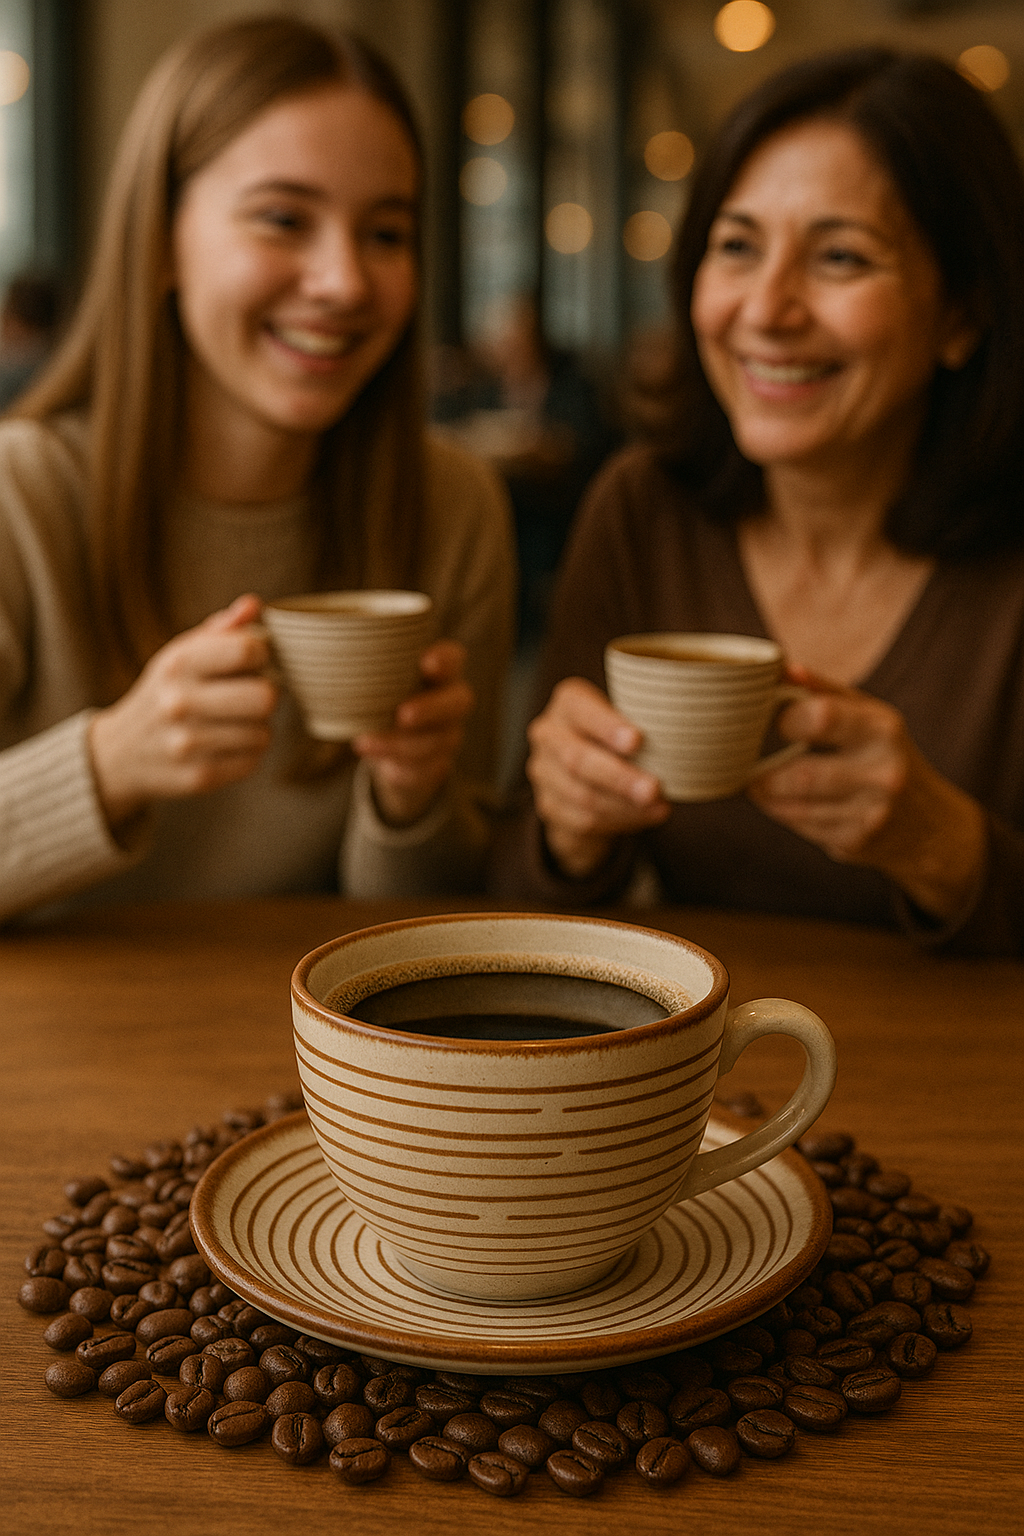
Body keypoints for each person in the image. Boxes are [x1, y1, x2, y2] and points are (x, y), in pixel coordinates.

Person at [494, 47, 1024, 956]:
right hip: (714, 1081)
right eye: (736, 247)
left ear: (962, 316)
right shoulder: (645, 512)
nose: (767, 309)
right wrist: (568, 830)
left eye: (841, 257)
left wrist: (946, 846)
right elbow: (514, 901)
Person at [0, 17, 514, 924]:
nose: (345, 281)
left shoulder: (451, 508)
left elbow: (446, 921)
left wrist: (412, 802)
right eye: (284, 219)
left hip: (326, 1059)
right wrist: (110, 761)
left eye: (386, 233)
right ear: (160, 239)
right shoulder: (22, 497)